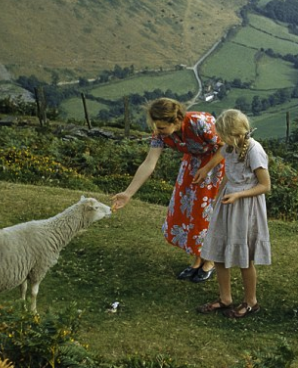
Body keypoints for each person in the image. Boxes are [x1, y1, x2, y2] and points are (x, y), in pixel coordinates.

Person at [112, 98, 224, 282]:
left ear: (177, 121)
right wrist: (128, 193)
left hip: (216, 165)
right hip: (193, 164)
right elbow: (149, 162)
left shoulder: (199, 123)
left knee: (206, 213)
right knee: (189, 212)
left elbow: (226, 146)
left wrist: (206, 168)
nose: (158, 131)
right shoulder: (161, 133)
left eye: (162, 127)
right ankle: (197, 260)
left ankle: (209, 261)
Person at [195, 109, 271, 318]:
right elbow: (228, 173)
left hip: (246, 207)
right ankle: (225, 298)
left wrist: (239, 196)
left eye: (222, 134)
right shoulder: (230, 147)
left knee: (245, 259)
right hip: (227, 203)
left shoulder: (254, 150)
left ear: (232, 133)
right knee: (218, 252)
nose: (220, 138)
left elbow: (265, 185)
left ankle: (250, 302)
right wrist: (218, 197)